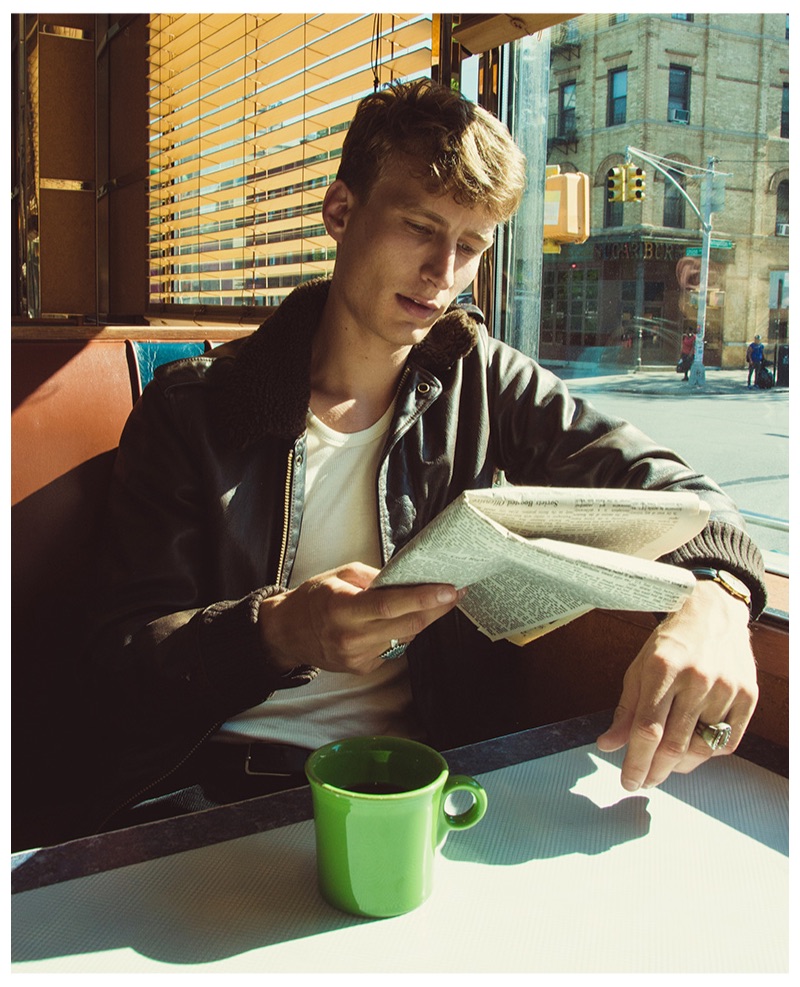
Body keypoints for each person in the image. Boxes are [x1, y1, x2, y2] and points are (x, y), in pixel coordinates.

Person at [50, 79, 764, 843]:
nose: (443, 271)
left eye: (473, 245)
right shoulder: (191, 409)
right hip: (219, 787)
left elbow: (680, 491)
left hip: (426, 784)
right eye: (420, 227)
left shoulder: (485, 379)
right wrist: (281, 631)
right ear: (340, 211)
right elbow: (115, 670)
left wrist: (720, 599)